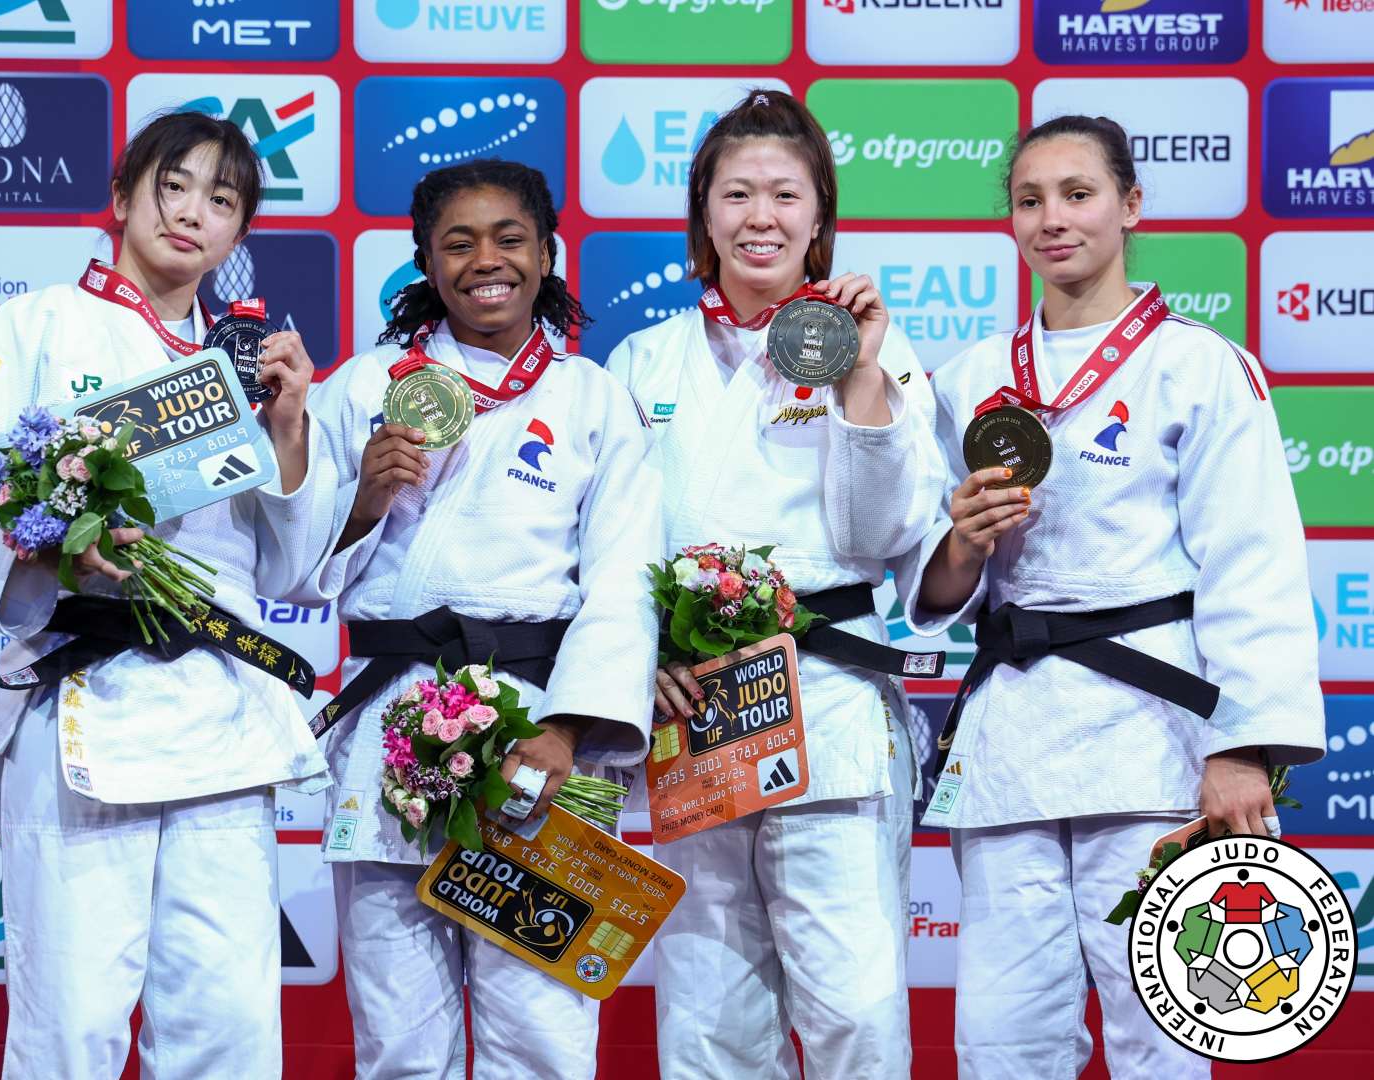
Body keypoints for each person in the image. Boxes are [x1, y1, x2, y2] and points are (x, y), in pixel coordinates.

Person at [0, 111, 338, 1078]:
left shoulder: (242, 362)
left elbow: (290, 566)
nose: (192, 214)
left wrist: (294, 428)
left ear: (238, 234)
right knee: (72, 1022)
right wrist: (59, 557)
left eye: (222, 200)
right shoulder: (35, 326)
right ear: (122, 198)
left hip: (220, 714)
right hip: (80, 703)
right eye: (173, 186)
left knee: (227, 1024)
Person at [907, 114, 1325, 1078]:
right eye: (1029, 199)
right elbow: (933, 586)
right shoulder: (973, 379)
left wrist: (1240, 749)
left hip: (1156, 735)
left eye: (1078, 193)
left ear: (1130, 206)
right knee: (1003, 1039)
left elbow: (1252, 564)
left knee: (1163, 1035)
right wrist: (962, 544)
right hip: (1012, 737)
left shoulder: (1201, 367)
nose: (1053, 218)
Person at [294, 159, 660, 1080]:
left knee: (543, 1033)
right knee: (398, 1038)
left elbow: (623, 579)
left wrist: (569, 728)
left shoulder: (591, 397)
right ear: (424, 260)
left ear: (547, 253)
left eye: (509, 239)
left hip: (539, 732)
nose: (485, 261)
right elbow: (292, 564)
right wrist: (364, 502)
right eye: (457, 243)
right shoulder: (367, 385)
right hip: (392, 725)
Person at [606, 88, 945, 1080]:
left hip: (827, 701)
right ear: (702, 216)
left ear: (819, 216)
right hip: (695, 716)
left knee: (854, 1007)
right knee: (709, 1017)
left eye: (785, 195)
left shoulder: (877, 353)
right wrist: (644, 659)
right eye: (737, 194)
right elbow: (616, 548)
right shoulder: (644, 359)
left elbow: (881, 535)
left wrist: (860, 381)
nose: (761, 217)